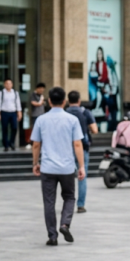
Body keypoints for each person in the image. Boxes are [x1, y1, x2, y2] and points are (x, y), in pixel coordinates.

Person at [32, 86, 86, 246]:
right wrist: (81, 166)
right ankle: (64, 224)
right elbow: (77, 144)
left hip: (47, 168)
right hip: (67, 168)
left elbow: (36, 145)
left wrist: (36, 163)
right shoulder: (72, 120)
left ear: (49, 101)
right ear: (65, 101)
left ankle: (52, 236)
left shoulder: (41, 120)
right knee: (69, 197)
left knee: (49, 202)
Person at [65, 91, 98, 214]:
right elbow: (95, 130)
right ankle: (80, 205)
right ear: (79, 100)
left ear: (68, 101)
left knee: (67, 177)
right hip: (82, 147)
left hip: (67, 148)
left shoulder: (64, 113)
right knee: (82, 176)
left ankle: (67, 203)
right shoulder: (85, 112)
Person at [0, 78, 22, 151]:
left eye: (10, 83)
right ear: (4, 84)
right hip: (4, 112)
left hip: (13, 112)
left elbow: (18, 103)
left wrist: (19, 113)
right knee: (5, 129)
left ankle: (12, 142)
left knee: (14, 127)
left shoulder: (15, 93)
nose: (8, 85)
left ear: (12, 84)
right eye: (7, 83)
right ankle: (6, 145)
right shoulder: (1, 93)